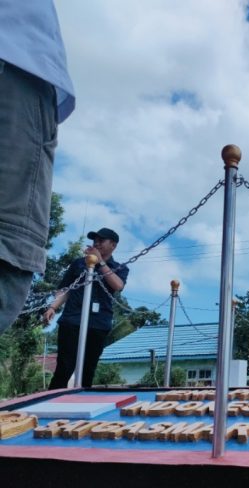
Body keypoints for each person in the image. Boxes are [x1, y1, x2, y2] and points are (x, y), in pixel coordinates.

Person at [0, 0, 76, 333]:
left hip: (14, 54)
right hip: (15, 54)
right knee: (9, 247)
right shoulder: (79, 266)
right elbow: (63, 290)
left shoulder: (107, 268)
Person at [43, 228, 128, 388]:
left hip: (98, 324)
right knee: (65, 367)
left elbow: (117, 285)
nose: (96, 243)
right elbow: (65, 289)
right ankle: (51, 405)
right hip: (72, 320)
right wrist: (52, 307)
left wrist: (99, 263)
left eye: (101, 241)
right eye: (94, 240)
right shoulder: (78, 263)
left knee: (88, 369)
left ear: (113, 245)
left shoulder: (120, 268)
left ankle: (82, 405)